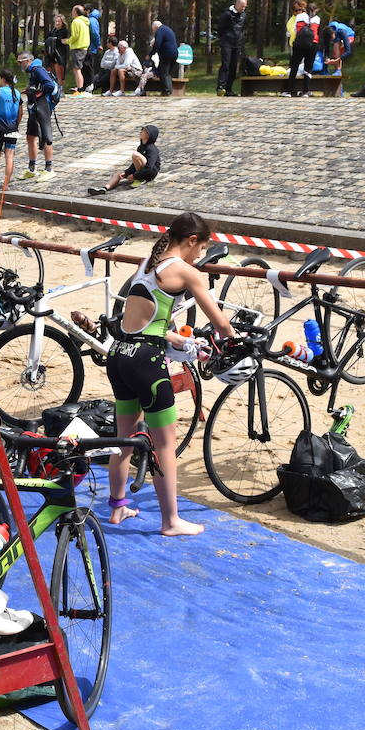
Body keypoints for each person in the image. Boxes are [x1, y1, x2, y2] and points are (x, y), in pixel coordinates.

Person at [105, 211, 235, 536]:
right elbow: (220, 323)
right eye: (201, 249)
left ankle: (118, 508)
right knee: (164, 443)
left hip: (120, 355)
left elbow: (145, 324)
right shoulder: (186, 271)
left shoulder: (147, 265)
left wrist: (178, 337)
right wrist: (236, 338)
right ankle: (171, 521)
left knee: (125, 439)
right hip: (147, 364)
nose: (200, 256)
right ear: (192, 241)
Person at [17, 51, 57, 179]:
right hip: (34, 108)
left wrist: (37, 94)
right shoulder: (33, 71)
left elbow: (49, 85)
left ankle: (49, 169)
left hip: (42, 107)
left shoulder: (38, 70)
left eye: (21, 62)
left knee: (45, 136)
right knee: (30, 136)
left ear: (28, 60)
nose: (20, 65)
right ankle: (32, 168)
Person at [88, 124, 161, 195]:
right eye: (141, 130)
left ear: (149, 135)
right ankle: (105, 188)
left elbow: (149, 167)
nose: (141, 132)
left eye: (144, 131)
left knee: (135, 155)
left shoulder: (152, 149)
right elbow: (134, 164)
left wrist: (135, 176)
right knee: (118, 173)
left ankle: (140, 179)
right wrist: (126, 173)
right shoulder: (140, 148)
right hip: (141, 171)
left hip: (149, 174)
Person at [0, 69, 24, 191]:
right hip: (12, 127)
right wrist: (16, 125)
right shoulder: (17, 93)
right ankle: (5, 185)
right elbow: (20, 112)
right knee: (10, 157)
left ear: (2, 79)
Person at [284, 0, 318, 97]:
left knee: (294, 67)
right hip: (313, 44)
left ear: (303, 8)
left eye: (298, 9)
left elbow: (295, 30)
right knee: (308, 68)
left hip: (299, 44)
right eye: (295, 10)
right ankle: (305, 91)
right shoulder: (317, 18)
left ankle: (289, 90)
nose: (297, 12)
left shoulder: (299, 17)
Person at [216, 0, 248, 96]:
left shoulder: (244, 15)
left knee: (234, 66)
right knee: (225, 65)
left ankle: (229, 89)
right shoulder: (227, 14)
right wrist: (224, 39)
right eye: (242, 6)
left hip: (237, 44)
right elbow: (220, 28)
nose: (243, 9)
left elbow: (242, 29)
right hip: (227, 43)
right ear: (237, 4)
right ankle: (221, 87)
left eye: (244, 7)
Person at [148, 20, 178, 95]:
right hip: (174, 53)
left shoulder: (160, 30)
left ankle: (166, 91)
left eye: (153, 30)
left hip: (166, 54)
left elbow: (157, 43)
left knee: (163, 73)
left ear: (155, 27)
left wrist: (151, 54)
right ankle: (169, 90)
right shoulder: (167, 29)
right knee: (167, 73)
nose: (154, 31)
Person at [67, 6, 91, 94]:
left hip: (78, 47)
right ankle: (80, 88)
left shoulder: (76, 21)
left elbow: (75, 35)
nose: (71, 13)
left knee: (76, 69)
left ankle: (80, 89)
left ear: (76, 12)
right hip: (84, 47)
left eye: (73, 11)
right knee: (79, 69)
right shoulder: (85, 21)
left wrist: (67, 41)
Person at [45, 14, 70, 85]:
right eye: (56, 21)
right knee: (52, 73)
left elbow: (62, 41)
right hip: (52, 54)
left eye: (59, 21)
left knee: (60, 73)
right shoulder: (53, 30)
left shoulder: (64, 31)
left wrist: (55, 40)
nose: (57, 23)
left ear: (62, 22)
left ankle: (61, 88)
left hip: (60, 54)